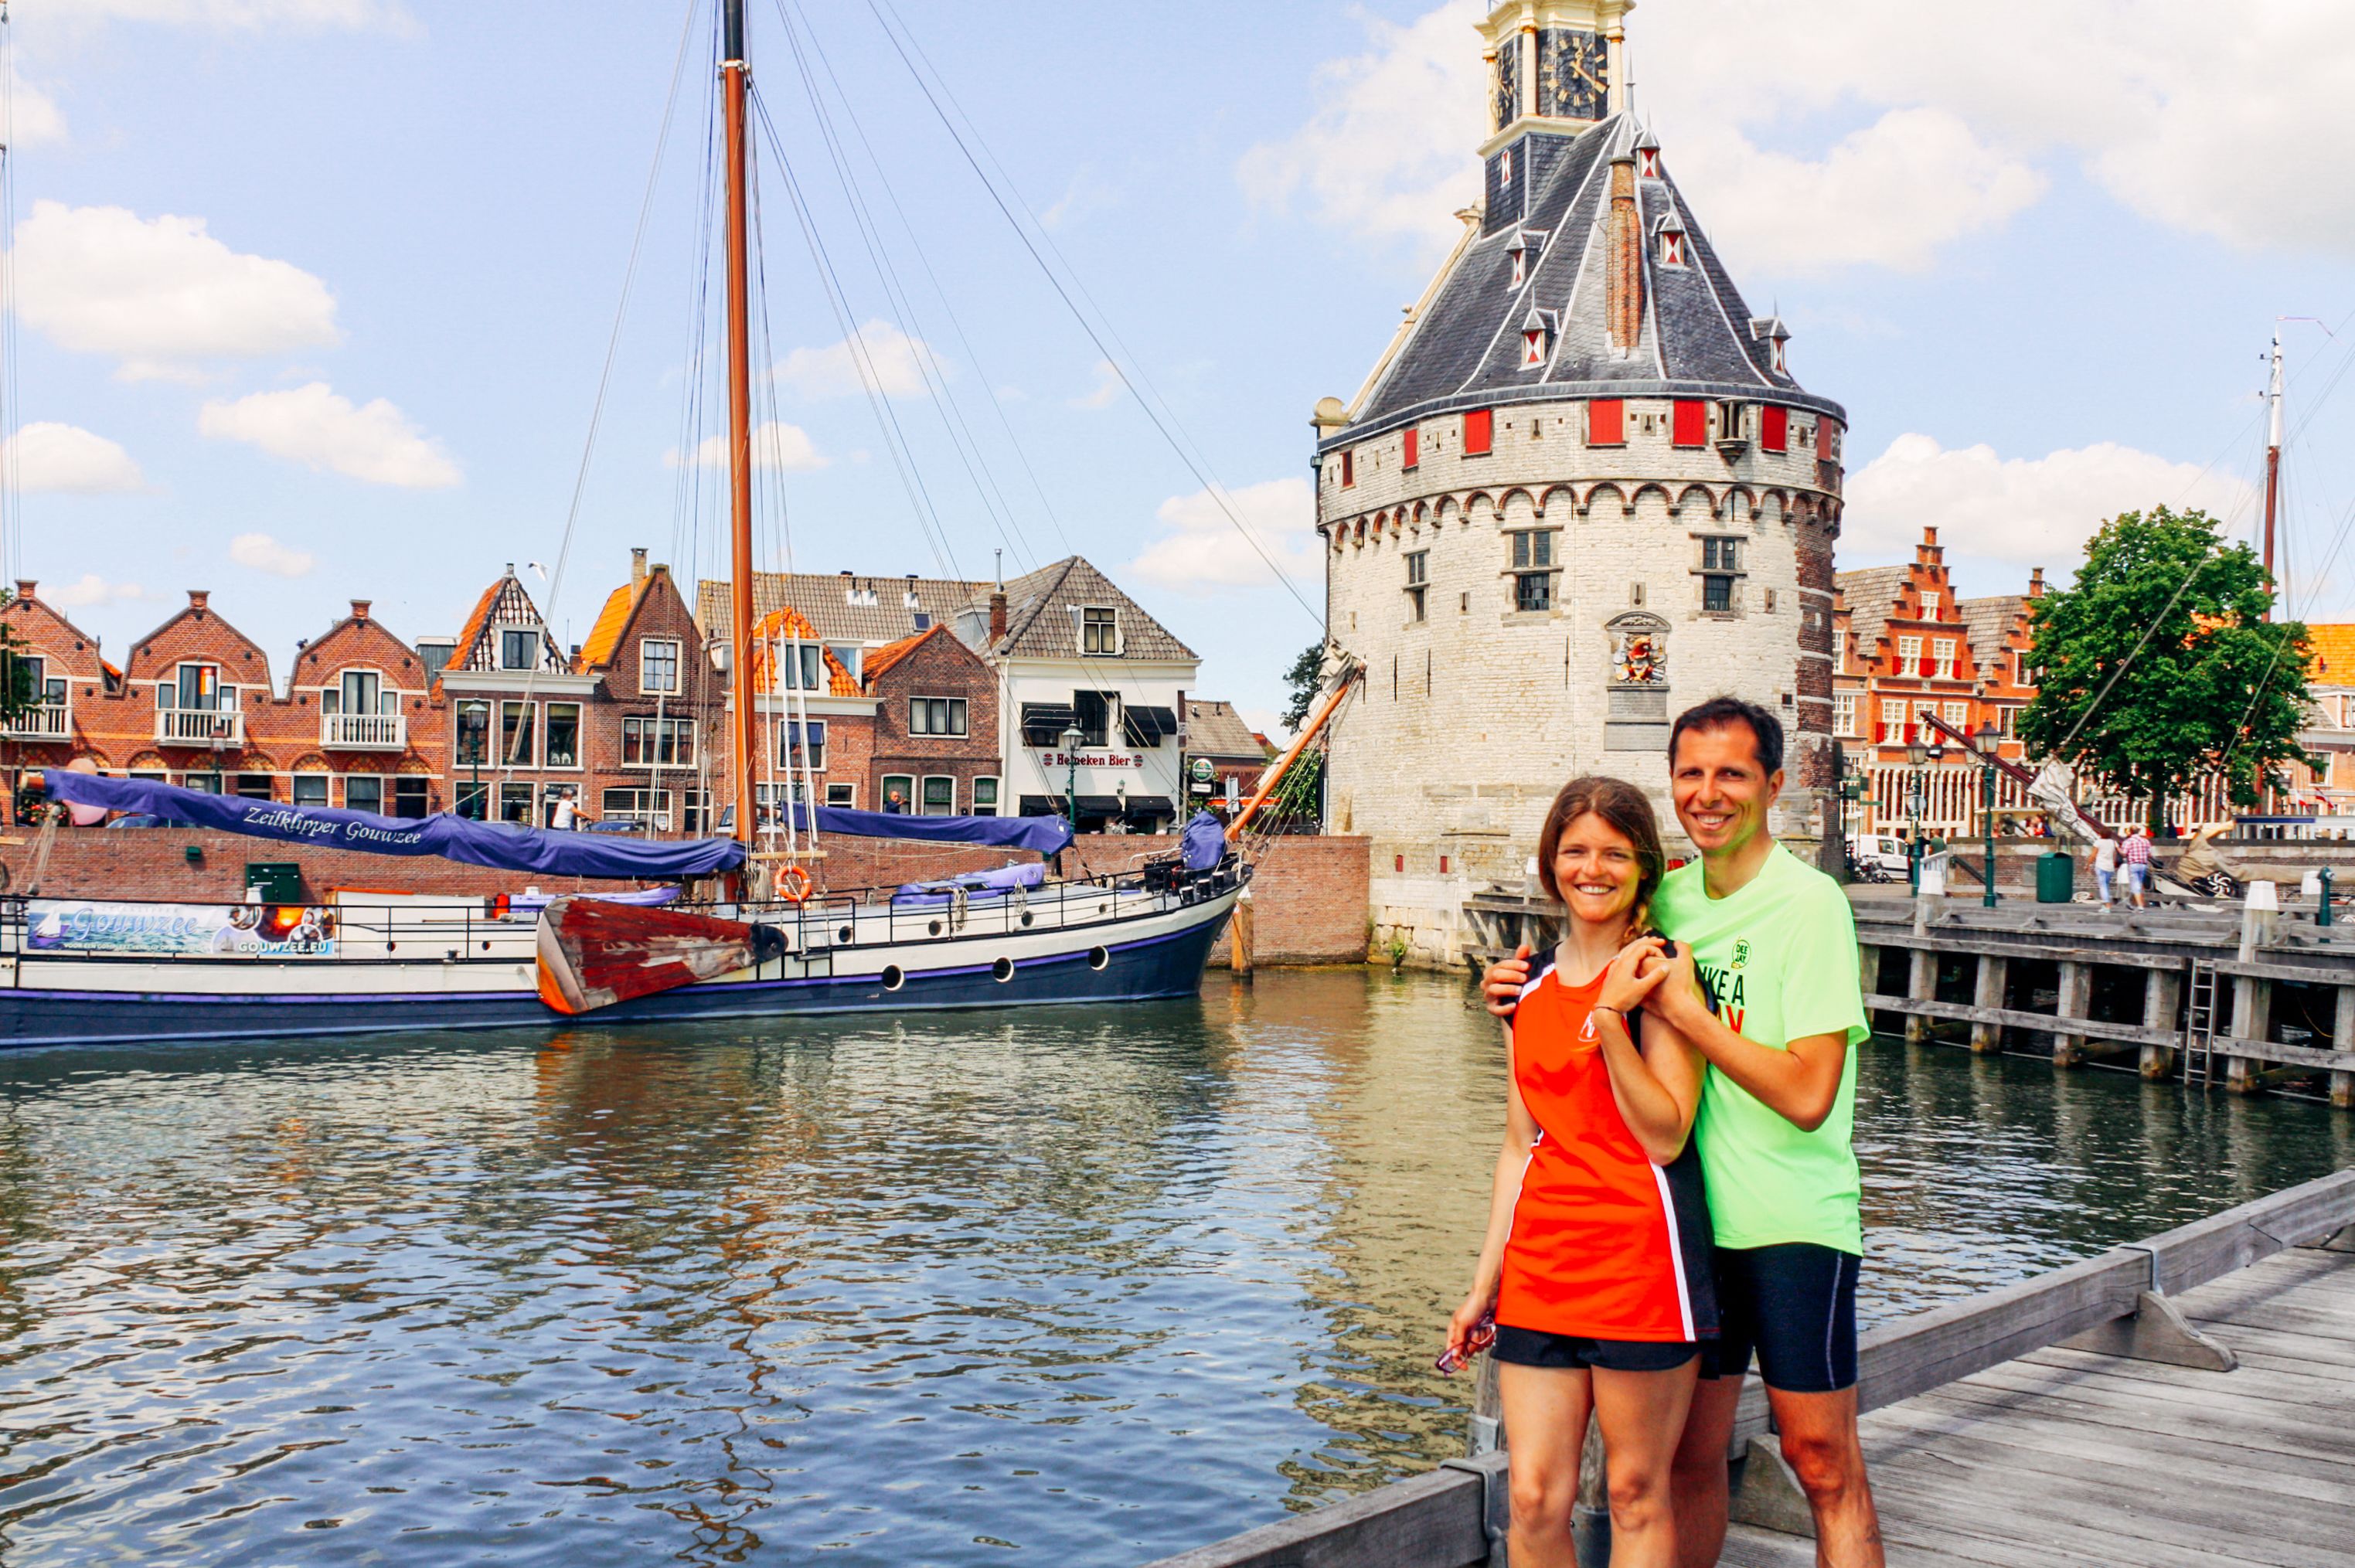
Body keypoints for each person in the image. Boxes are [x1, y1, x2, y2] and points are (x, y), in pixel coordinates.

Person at [1486, 697, 1882, 1567]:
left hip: (1788, 1221)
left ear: (1773, 785)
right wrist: (1515, 990)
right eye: (1691, 774)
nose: (1708, 793)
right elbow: (1587, 933)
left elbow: (1811, 1095)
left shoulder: (1809, 904)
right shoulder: (1666, 893)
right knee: (1686, 1463)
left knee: (1821, 1462)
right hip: (1680, 1234)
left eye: (1731, 773)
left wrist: (1684, 1011)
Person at [1446, 776, 1711, 1568]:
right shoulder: (1522, 983)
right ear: (1549, 863)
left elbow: (1665, 1136)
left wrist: (1606, 1017)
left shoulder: (1662, 969)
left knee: (1632, 1492)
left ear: (1643, 868)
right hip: (1541, 1269)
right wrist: (1482, 1281)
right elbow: (1517, 1141)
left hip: (1642, 1265)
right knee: (1530, 1498)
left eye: (1612, 854)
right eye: (1574, 852)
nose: (1590, 869)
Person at [2121, 823, 2153, 909]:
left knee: (2136, 885)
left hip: (2133, 865)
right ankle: (2130, 902)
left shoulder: (2128, 842)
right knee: (2137, 884)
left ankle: (2140, 906)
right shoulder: (2145, 841)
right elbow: (2150, 854)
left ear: (2130, 832)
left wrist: (2118, 849)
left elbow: (2124, 854)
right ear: (2139, 831)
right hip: (2143, 865)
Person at [2093, 832, 2118, 910]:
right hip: (2110, 867)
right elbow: (2115, 854)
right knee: (2106, 885)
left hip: (2101, 866)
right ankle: (2104, 906)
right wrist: (2113, 863)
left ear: (2101, 834)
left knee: (2102, 886)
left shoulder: (2098, 842)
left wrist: (2088, 864)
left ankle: (2107, 905)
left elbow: (2093, 855)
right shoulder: (2113, 842)